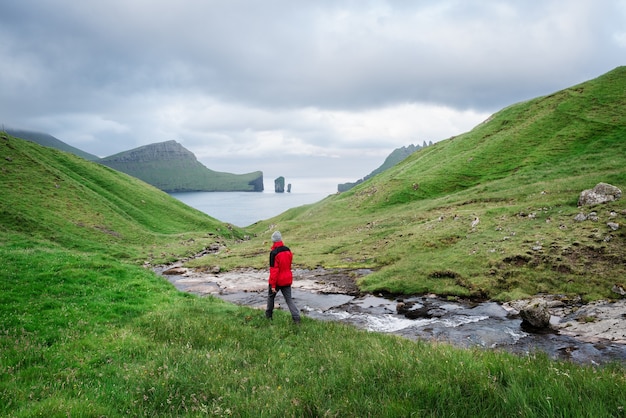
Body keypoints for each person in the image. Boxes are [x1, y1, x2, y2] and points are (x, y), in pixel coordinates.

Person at [265, 231, 301, 324]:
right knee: (289, 299)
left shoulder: (273, 253)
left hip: (277, 280)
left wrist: (273, 285)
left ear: (273, 241)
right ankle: (296, 318)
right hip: (287, 279)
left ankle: (268, 316)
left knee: (271, 297)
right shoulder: (288, 250)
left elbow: (274, 270)